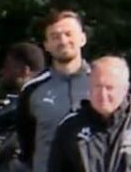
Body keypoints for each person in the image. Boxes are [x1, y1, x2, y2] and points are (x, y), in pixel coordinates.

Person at [47, 56, 131, 172]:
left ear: (125, 88)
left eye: (109, 88)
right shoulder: (70, 126)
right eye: (97, 87)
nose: (103, 94)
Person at [17, 11, 91, 172]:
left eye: (68, 34)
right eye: (55, 36)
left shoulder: (104, 84)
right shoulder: (32, 90)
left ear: (82, 38)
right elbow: (27, 147)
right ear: (46, 45)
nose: (63, 41)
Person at [0, 43, 45, 171]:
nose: (2, 72)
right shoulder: (5, 106)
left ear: (24, 71)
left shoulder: (34, 107)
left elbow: (2, 147)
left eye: (7, 67)